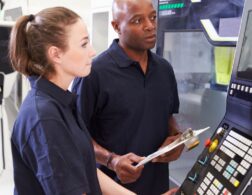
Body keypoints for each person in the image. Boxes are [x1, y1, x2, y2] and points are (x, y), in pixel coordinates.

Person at [72, 0, 184, 194]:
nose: (150, 26)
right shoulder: (94, 73)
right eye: (137, 20)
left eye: (152, 17)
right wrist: (112, 160)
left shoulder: (164, 69)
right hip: (112, 187)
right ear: (116, 27)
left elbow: (167, 118)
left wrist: (177, 139)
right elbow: (75, 135)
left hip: (158, 187)